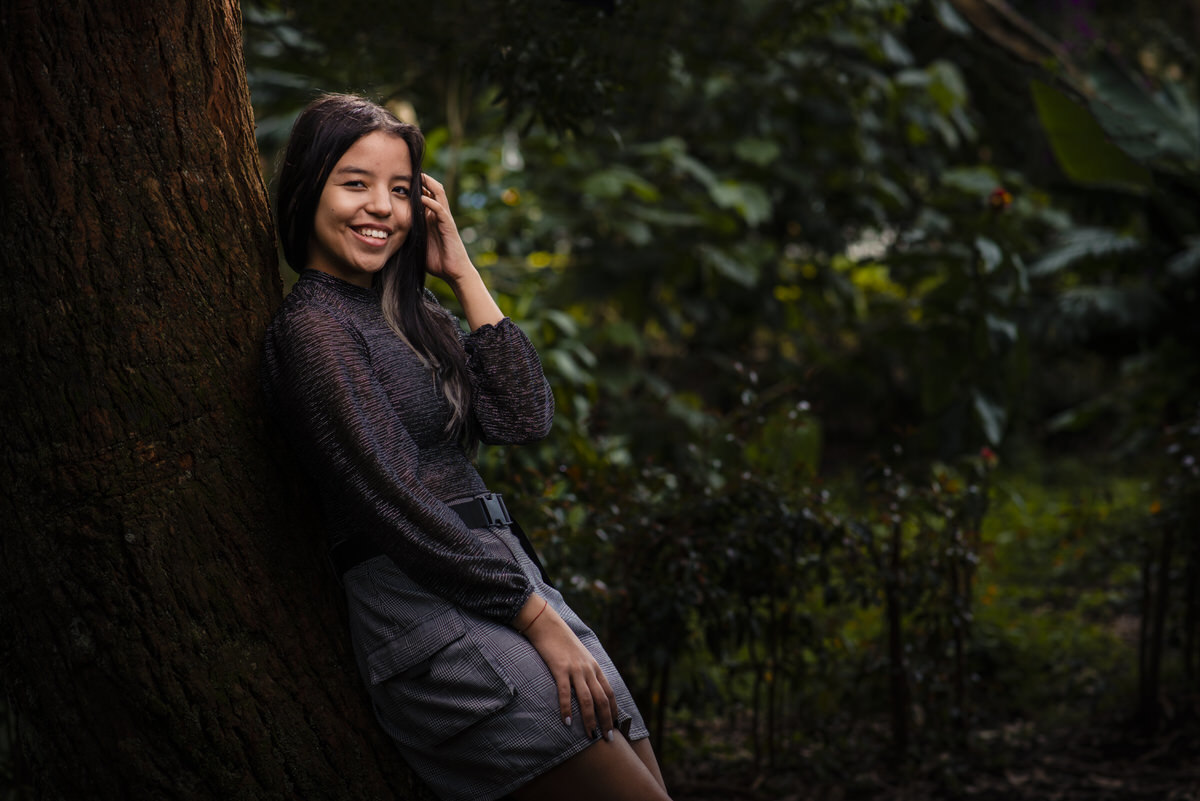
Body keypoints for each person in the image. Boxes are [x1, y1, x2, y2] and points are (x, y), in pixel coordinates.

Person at [260, 93, 672, 801]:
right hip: (432, 604)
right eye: (354, 183)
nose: (381, 208)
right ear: (306, 187)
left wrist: (460, 267)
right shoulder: (314, 330)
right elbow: (394, 500)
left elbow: (522, 416)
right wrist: (537, 619)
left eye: (399, 190)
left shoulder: (409, 314)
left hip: (506, 581)